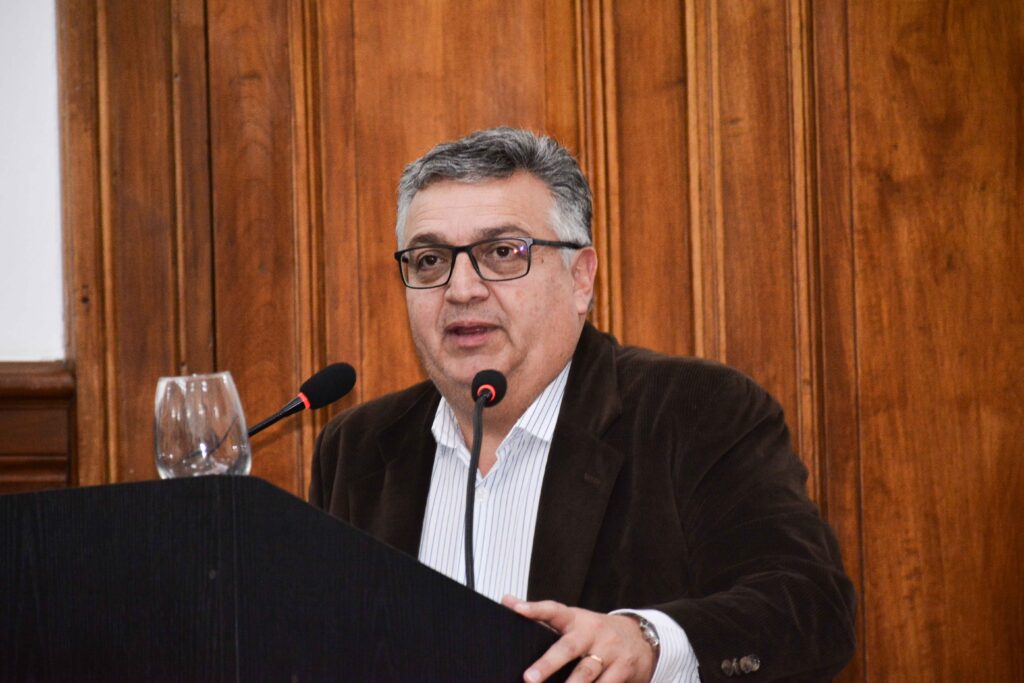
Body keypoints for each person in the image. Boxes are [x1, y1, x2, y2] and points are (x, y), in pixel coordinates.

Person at [310, 127, 856, 682]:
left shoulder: (695, 411)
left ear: (580, 278)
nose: (462, 289)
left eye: (502, 253)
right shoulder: (358, 446)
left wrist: (648, 641)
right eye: (430, 260)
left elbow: (811, 606)